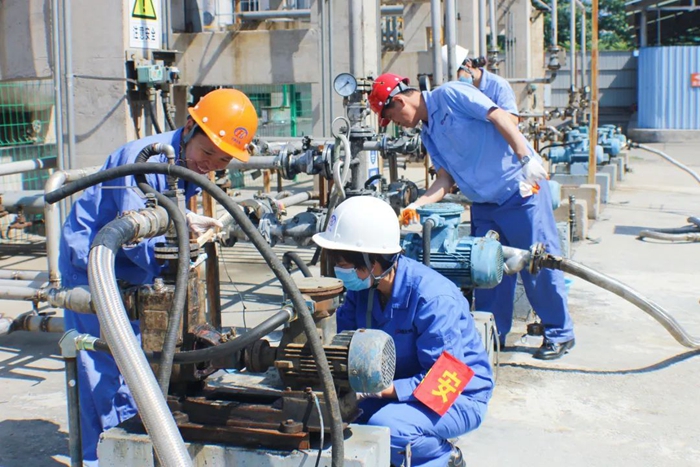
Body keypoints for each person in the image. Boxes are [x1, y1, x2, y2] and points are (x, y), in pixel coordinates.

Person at [59, 88, 258, 464]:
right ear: (189, 127)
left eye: (222, 160)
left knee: (137, 361)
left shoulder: (185, 159)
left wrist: (184, 224)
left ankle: (127, 445)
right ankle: (102, 456)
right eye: (207, 152)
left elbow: (163, 216)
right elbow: (133, 233)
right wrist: (177, 251)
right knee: (103, 368)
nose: (209, 165)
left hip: (131, 268)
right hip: (94, 263)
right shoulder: (147, 158)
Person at [368, 73, 575, 360]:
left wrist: (525, 157)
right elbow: (445, 179)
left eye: (392, 117)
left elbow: (498, 115)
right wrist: (416, 205)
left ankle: (559, 333)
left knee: (537, 264)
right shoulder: (428, 133)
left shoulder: (451, 95)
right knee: (486, 270)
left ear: (400, 101)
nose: (397, 124)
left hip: (520, 190)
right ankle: (493, 334)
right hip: (483, 203)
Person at [312, 196, 493, 467]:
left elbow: (445, 380)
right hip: (397, 387)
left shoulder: (433, 298)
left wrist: (385, 390)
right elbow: (343, 346)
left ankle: (444, 457)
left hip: (457, 396)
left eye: (344, 264)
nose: (339, 271)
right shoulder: (362, 291)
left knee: (388, 428)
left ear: (372, 263)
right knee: (341, 416)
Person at [441, 44, 519, 125]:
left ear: (468, 65)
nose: (457, 81)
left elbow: (513, 120)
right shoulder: (458, 92)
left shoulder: (498, 85)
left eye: (457, 75)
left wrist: (490, 113)